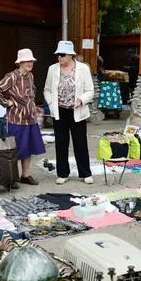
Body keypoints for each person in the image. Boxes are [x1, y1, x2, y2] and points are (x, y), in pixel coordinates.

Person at [0, 48, 45, 186]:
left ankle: (25, 176)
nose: (30, 63)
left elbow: (31, 92)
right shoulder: (12, 76)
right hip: (16, 119)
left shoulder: (30, 76)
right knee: (15, 149)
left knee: (28, 148)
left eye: (31, 60)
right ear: (20, 62)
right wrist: (6, 102)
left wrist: (33, 106)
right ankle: (12, 177)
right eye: (27, 60)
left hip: (30, 118)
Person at [43, 40, 95, 185]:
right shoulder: (52, 69)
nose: (59, 57)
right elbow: (47, 90)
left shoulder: (83, 69)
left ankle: (85, 173)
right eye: (58, 55)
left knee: (80, 143)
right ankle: (62, 173)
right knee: (61, 143)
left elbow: (90, 91)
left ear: (71, 55)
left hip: (77, 110)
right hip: (59, 111)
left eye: (62, 55)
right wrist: (51, 104)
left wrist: (82, 99)